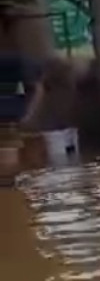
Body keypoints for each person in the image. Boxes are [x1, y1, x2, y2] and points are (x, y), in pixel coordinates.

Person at [0, 50, 45, 184]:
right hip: (11, 116)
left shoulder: (13, 62)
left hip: (9, 118)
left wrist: (28, 113)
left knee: (8, 164)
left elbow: (37, 87)